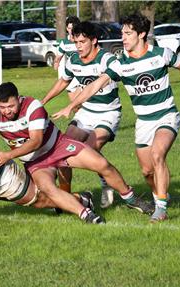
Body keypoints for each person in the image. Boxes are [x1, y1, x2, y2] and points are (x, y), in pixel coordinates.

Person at [53, 14, 180, 222]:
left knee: (158, 155)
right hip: (143, 122)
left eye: (128, 33)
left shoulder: (161, 54)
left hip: (166, 115)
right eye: (122, 33)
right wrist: (71, 105)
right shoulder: (120, 63)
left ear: (141, 34)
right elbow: (96, 85)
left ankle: (161, 209)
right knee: (147, 171)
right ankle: (159, 195)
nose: (123, 37)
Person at [0, 82, 154, 222]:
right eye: (3, 107)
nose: (7, 111)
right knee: (48, 189)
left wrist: (8, 155)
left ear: (19, 99)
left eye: (11, 106)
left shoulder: (33, 106)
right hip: (36, 163)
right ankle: (86, 213)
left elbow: (36, 141)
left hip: (58, 147)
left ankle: (131, 199)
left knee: (101, 164)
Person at [42, 21, 122, 209]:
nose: (78, 46)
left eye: (82, 42)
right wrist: (43, 101)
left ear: (94, 40)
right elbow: (63, 81)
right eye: (76, 42)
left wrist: (71, 105)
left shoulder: (107, 59)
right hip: (87, 112)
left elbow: (96, 85)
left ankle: (106, 183)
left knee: (88, 152)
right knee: (62, 153)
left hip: (108, 113)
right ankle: (65, 197)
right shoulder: (74, 61)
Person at [53, 16, 81, 102]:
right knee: (74, 105)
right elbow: (58, 57)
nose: (71, 31)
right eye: (69, 28)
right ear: (66, 28)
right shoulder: (64, 43)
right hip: (72, 74)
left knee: (81, 103)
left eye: (73, 28)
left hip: (84, 74)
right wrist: (56, 63)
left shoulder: (83, 40)